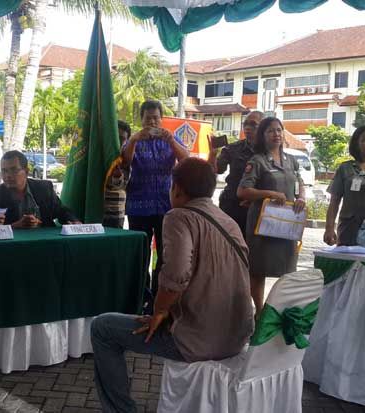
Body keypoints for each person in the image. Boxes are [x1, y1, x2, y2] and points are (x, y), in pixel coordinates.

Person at [91, 158, 254, 412]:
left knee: (102, 328)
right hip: (237, 336)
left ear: (177, 188)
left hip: (199, 339)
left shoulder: (179, 217)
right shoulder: (227, 220)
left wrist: (159, 312)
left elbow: (176, 275)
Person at [237, 117, 305, 317]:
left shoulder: (291, 160)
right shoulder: (256, 161)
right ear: (263, 136)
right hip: (262, 224)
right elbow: (242, 191)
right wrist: (269, 193)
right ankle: (259, 312)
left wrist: (301, 197)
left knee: (287, 269)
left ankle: (280, 311)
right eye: (270, 131)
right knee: (258, 270)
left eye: (279, 130)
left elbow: (299, 182)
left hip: (286, 225)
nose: (276, 134)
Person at [122, 100, 189, 297]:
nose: (152, 121)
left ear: (161, 119)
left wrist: (171, 141)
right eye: (148, 118)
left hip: (166, 206)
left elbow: (186, 158)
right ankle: (142, 294)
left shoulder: (171, 137)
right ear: (141, 119)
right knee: (141, 254)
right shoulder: (134, 139)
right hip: (138, 207)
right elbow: (125, 161)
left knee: (165, 255)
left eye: (156, 118)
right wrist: (134, 140)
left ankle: (159, 295)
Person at [0, 150, 80, 228]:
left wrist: (74, 221)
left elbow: (62, 211)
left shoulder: (44, 188)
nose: (8, 176)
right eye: (4, 171)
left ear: (26, 172)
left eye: (14, 170)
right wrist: (15, 226)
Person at [208, 111, 264, 237]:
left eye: (253, 125)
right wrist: (212, 154)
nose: (248, 128)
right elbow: (215, 170)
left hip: (257, 208)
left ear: (263, 127)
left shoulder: (269, 152)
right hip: (232, 206)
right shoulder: (233, 148)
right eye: (245, 124)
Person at [103, 120, 131, 228]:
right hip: (95, 210)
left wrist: (117, 175)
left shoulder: (125, 158)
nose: (118, 141)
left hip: (115, 213)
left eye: (122, 138)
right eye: (115, 136)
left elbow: (122, 185)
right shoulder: (97, 153)